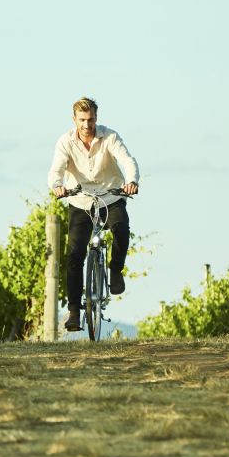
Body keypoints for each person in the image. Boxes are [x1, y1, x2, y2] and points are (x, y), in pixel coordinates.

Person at [48, 97, 140, 331]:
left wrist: (131, 181)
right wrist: (58, 186)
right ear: (74, 120)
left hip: (111, 196)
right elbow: (56, 170)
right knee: (75, 254)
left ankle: (116, 269)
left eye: (90, 120)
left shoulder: (109, 137)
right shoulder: (65, 142)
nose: (86, 125)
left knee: (121, 229)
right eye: (82, 120)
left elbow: (127, 161)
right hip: (81, 200)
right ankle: (74, 313)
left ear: (96, 118)